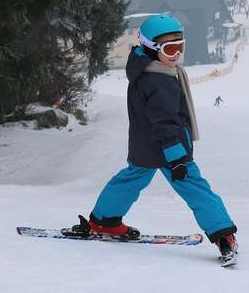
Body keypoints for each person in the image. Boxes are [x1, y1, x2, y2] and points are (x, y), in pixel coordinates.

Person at [69, 14, 237, 261]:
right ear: (151, 46)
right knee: (196, 189)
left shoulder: (143, 67)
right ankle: (223, 233)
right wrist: (177, 158)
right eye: (170, 48)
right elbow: (165, 123)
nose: (176, 54)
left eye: (180, 47)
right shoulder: (160, 80)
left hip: (144, 144)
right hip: (170, 148)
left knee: (129, 181)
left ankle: (104, 221)